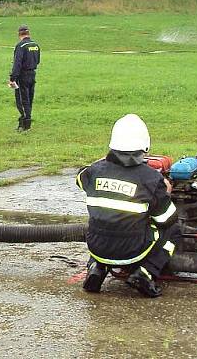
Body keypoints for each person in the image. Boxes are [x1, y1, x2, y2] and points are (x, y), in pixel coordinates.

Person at [75, 114, 179, 298]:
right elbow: (167, 219)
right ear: (144, 147)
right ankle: (145, 273)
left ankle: (96, 268)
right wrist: (165, 191)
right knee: (174, 230)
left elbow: (80, 177)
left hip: (96, 246)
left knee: (107, 222)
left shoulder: (92, 172)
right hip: (132, 250)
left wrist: (102, 162)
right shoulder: (152, 179)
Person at [8, 24, 40, 131]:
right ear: (28, 33)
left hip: (22, 76)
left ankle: (25, 124)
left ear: (19, 34)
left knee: (22, 100)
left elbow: (17, 64)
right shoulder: (35, 45)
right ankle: (25, 121)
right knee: (29, 99)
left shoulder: (20, 46)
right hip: (32, 74)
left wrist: (12, 79)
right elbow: (38, 61)